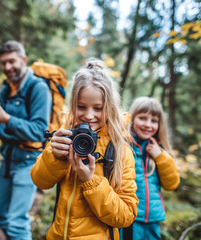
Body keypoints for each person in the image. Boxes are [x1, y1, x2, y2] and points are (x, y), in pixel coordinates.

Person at [30, 59, 138, 240]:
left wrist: (90, 180)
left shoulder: (119, 149)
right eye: (81, 107)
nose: (88, 116)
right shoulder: (64, 137)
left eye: (98, 108)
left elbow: (126, 215)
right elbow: (40, 182)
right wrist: (54, 157)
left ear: (110, 107)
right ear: (73, 105)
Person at [0, 40, 52, 240]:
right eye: (3, 63)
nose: (7, 67)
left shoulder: (38, 88)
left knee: (17, 221)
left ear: (24, 60)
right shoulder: (7, 88)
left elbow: (39, 131)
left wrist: (7, 118)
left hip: (28, 160)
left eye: (11, 61)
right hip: (7, 158)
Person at [128, 96, 180, 240]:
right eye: (142, 118)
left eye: (154, 121)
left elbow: (171, 184)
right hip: (129, 218)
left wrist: (160, 156)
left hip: (153, 217)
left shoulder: (159, 150)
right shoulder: (124, 147)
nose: (148, 125)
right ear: (132, 118)